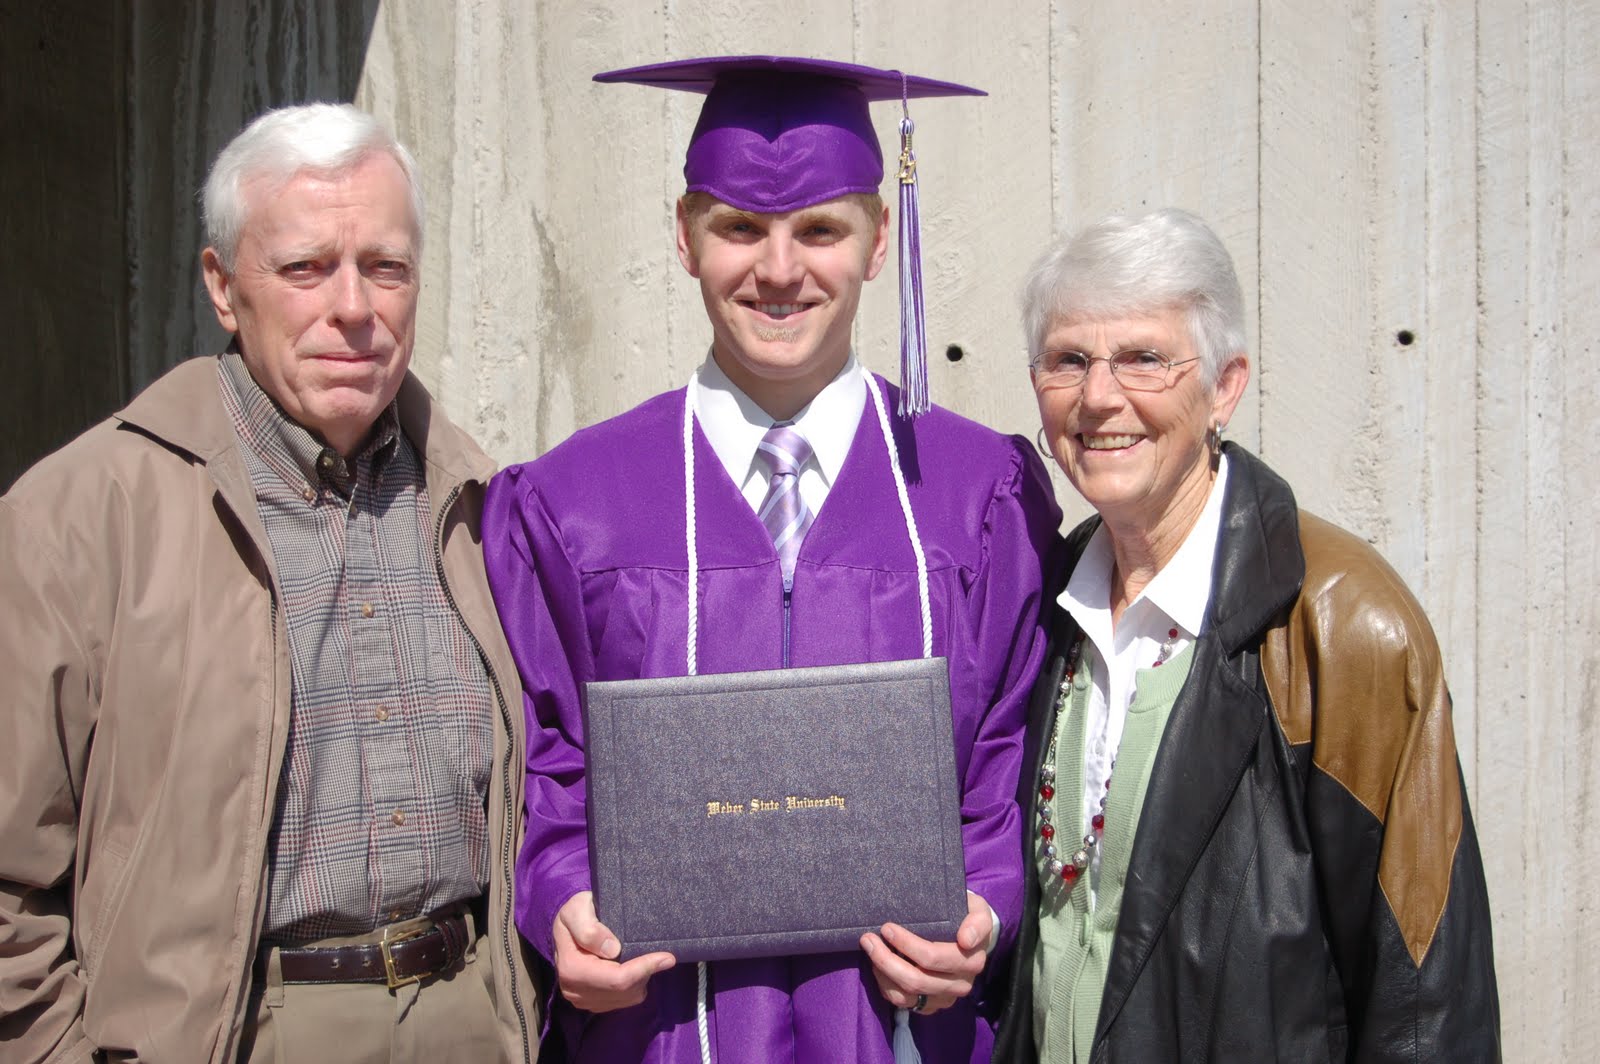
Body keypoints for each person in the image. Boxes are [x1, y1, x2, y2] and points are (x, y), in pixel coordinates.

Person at [483, 56, 1059, 1063]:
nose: (780, 269)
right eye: (740, 228)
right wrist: (561, 893)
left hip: (899, 1034)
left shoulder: (976, 494)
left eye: (821, 230)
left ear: (878, 241)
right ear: (684, 238)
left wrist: (983, 903)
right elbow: (548, 757)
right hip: (663, 1030)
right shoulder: (576, 503)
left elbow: (1005, 757)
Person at [0, 104, 539, 1063]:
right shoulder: (84, 517)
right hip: (237, 1034)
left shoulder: (483, 505)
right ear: (222, 286)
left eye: (386, 266)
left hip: (472, 1021)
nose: (354, 308)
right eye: (304, 268)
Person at [991, 208, 1501, 1062]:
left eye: (1145, 358)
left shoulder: (1343, 624)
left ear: (1225, 385)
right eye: (1069, 360)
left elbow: (1427, 995)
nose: (1100, 397)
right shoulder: (1044, 603)